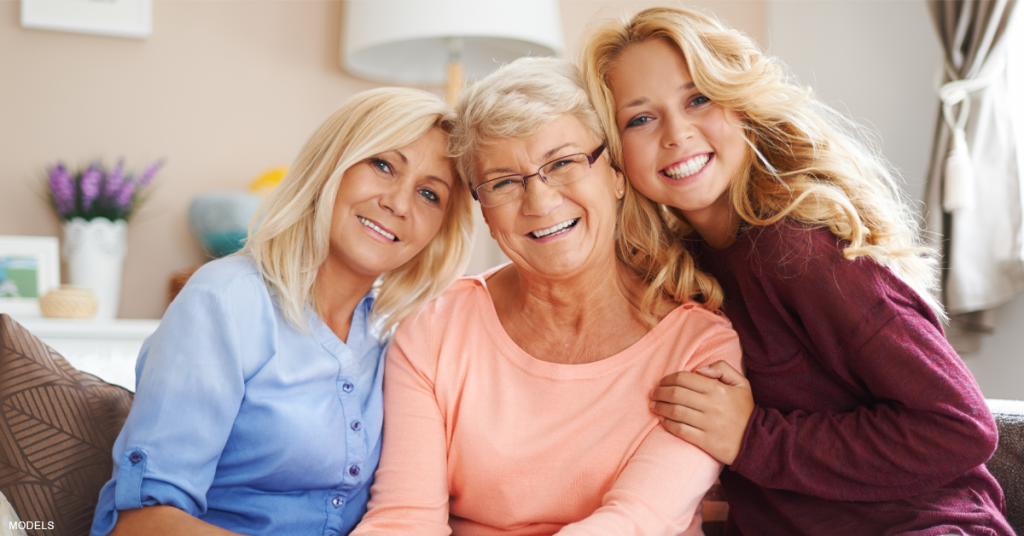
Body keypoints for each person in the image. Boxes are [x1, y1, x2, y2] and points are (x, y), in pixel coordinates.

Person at [580, 6, 1013, 535]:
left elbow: (960, 427)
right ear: (616, 157)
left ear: (740, 104)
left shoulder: (801, 251)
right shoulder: (685, 269)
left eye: (698, 98)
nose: (676, 133)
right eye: (640, 118)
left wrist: (752, 437)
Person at [349, 57, 741, 536]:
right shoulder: (432, 328)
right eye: (503, 183)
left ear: (616, 175)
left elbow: (635, 522)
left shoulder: (700, 347)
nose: (539, 201)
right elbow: (404, 520)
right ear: (484, 213)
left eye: (563, 164)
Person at [90, 87, 474, 536]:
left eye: (430, 194)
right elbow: (140, 522)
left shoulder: (400, 338)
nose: (399, 203)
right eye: (383, 165)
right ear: (331, 163)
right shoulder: (226, 300)